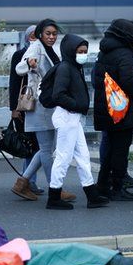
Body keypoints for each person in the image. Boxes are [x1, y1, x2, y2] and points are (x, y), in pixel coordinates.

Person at [12, 20, 75, 202]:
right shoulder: (36, 47)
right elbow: (19, 68)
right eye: (48, 33)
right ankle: (55, 188)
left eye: (54, 34)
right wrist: (29, 63)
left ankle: (22, 182)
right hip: (40, 105)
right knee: (47, 149)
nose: (51, 37)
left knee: (46, 148)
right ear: (40, 34)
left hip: (48, 105)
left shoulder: (48, 50)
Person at [46, 33, 110, 210]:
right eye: (80, 51)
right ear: (71, 51)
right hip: (68, 117)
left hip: (73, 118)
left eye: (85, 51)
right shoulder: (66, 68)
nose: (83, 54)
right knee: (63, 157)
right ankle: (54, 196)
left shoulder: (72, 67)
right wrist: (75, 105)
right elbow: (58, 94)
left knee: (83, 157)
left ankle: (91, 194)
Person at [93, 19, 133, 201]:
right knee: (121, 150)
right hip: (120, 109)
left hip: (105, 105)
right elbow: (128, 83)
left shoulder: (104, 50)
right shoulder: (124, 52)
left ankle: (102, 185)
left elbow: (96, 79)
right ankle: (117, 187)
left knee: (109, 149)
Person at [8, 25, 43, 198]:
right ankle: (28, 181)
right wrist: (14, 109)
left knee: (37, 145)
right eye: (35, 36)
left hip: (37, 107)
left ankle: (29, 180)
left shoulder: (42, 55)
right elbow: (14, 83)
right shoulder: (20, 56)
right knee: (31, 145)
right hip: (23, 107)